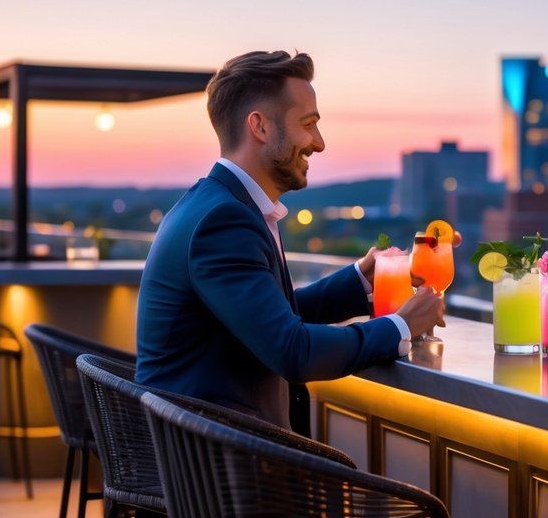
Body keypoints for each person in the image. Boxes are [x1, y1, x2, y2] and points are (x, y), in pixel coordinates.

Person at [136, 49, 444, 432]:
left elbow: (271, 315)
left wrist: (361, 279)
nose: (319, 142)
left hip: (211, 454)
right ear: (260, 127)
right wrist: (401, 325)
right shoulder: (225, 220)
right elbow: (292, 351)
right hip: (215, 469)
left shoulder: (222, 204)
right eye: (308, 124)